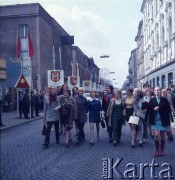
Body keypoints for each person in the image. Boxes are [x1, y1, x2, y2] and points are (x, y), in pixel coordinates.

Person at [148, 87, 171, 157]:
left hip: (163, 120)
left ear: (161, 91)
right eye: (155, 90)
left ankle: (162, 150)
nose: (156, 91)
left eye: (158, 90)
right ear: (154, 92)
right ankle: (157, 150)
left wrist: (160, 108)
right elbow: (149, 110)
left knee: (162, 135)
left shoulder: (164, 100)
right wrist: (154, 109)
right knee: (156, 135)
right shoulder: (152, 100)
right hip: (155, 120)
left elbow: (168, 110)